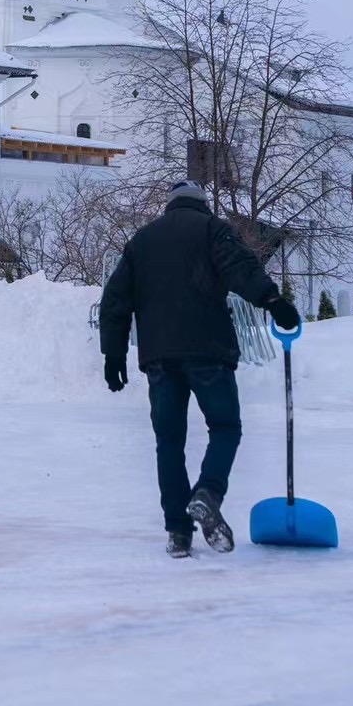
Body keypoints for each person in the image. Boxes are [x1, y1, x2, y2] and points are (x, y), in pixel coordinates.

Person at [99, 178, 299, 558]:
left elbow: (115, 301)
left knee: (168, 442)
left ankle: (177, 532)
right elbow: (240, 268)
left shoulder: (142, 241)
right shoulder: (212, 229)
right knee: (225, 426)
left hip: (159, 356)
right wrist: (272, 300)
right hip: (208, 351)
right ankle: (208, 492)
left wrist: (114, 355)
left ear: (170, 206)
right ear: (202, 204)